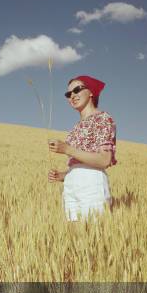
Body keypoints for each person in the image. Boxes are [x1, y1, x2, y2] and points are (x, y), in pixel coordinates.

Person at [47, 75, 117, 222]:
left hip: (91, 185)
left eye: (77, 90)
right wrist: (63, 176)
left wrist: (68, 149)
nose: (72, 95)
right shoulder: (75, 127)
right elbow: (80, 163)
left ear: (91, 92)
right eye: (68, 94)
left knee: (94, 236)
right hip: (71, 186)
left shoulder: (103, 118)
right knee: (74, 239)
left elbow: (104, 160)